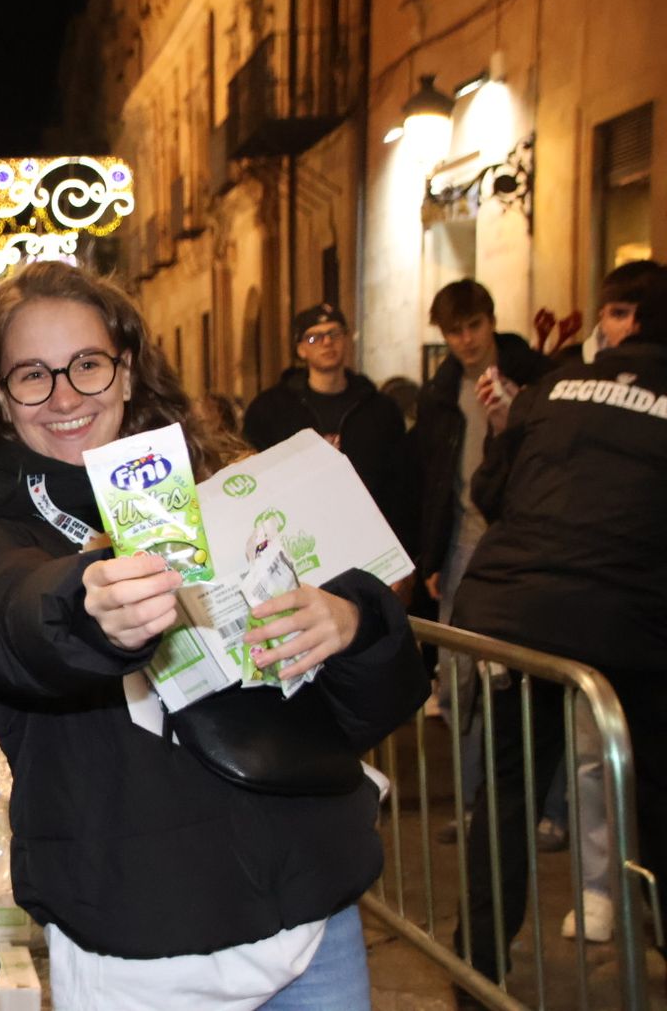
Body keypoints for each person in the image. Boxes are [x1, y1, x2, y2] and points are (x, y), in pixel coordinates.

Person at [0, 260, 427, 1011]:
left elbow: (360, 711)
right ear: (0, 396)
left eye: (88, 365)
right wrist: (87, 606)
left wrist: (352, 622)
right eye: (33, 375)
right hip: (141, 948)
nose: (65, 395)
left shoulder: (230, 489)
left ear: (127, 372)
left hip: (311, 923)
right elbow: (15, 619)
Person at [453, 260, 667, 982]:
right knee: (656, 790)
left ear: (627, 325)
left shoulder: (553, 388)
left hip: (519, 611)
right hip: (633, 622)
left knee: (507, 790)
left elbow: (491, 487)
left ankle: (477, 967)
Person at [410, 280, 551, 843]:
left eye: (474, 326)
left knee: (536, 675)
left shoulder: (535, 376)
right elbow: (431, 480)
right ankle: (473, 805)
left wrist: (514, 416)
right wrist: (431, 556)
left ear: (491, 322)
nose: (466, 340)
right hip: (462, 542)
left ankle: (547, 810)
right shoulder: (440, 392)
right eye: (454, 331)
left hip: (523, 539)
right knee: (460, 678)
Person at [244, 302, 412, 547]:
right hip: (300, 543)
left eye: (334, 334)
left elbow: (402, 487)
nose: (326, 343)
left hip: (368, 540)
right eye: (314, 338)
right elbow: (254, 478)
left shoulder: (379, 409)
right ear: (300, 349)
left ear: (346, 339)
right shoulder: (271, 410)